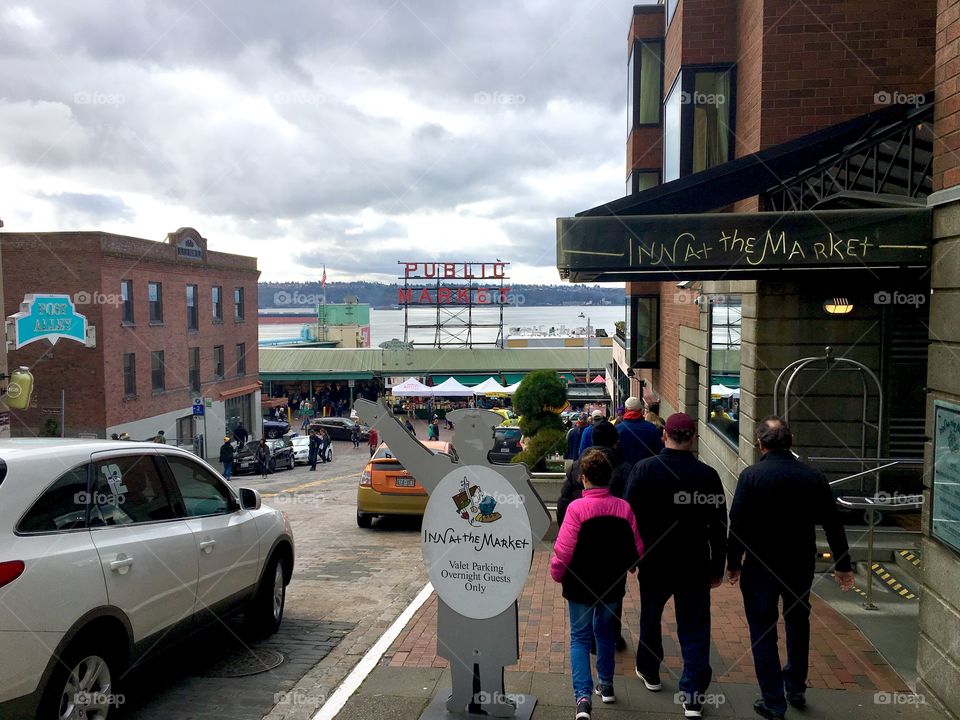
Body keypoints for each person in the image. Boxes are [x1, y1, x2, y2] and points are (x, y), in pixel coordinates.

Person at [727, 417, 854, 720]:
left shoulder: (751, 476)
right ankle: (795, 686)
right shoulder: (813, 476)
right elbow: (833, 524)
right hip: (799, 564)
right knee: (798, 622)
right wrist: (843, 564)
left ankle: (773, 701)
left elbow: (739, 525)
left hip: (760, 566)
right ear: (791, 442)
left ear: (760, 443)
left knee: (762, 630)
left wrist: (733, 562)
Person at [622, 412, 727, 719]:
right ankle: (693, 695)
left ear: (663, 435)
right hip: (694, 562)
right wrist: (718, 566)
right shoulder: (707, 476)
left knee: (651, 616)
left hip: (654, 560)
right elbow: (719, 525)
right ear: (693, 438)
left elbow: (629, 518)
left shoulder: (644, 470)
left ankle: (650, 671)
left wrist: (632, 556)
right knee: (694, 626)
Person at [550, 448, 644, 720]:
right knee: (605, 635)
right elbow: (636, 548)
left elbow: (563, 550)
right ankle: (607, 684)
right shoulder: (623, 508)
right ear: (609, 478)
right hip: (611, 584)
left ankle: (582, 698)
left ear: (584, 478)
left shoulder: (576, 508)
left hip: (580, 584)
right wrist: (630, 566)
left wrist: (557, 573)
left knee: (579, 638)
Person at [557, 420, 634, 653]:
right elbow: (631, 505)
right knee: (613, 592)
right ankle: (611, 636)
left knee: (583, 592)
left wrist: (566, 530)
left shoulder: (578, 467)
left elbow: (564, 501)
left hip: (582, 538)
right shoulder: (626, 467)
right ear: (616, 441)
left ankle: (589, 639)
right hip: (615, 543)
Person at [616, 396, 663, 466]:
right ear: (641, 410)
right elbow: (658, 452)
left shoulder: (617, 429)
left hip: (624, 473)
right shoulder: (652, 429)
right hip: (647, 472)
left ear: (625, 410)